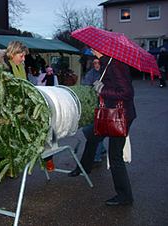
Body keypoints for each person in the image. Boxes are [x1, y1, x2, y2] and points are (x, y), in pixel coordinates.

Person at [68, 47, 136, 206]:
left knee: (115, 156)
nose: (91, 51)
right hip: (111, 114)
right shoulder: (109, 63)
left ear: (101, 49)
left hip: (119, 116)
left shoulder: (115, 65)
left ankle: (125, 196)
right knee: (92, 137)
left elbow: (127, 92)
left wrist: (103, 89)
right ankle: (84, 168)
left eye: (93, 49)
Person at [82, 57, 106, 167]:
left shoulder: (107, 72)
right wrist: (92, 92)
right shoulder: (91, 73)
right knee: (87, 129)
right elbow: (86, 87)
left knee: (96, 130)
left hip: (104, 105)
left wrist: (104, 91)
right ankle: (100, 148)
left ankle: (96, 158)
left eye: (98, 63)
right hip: (93, 105)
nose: (97, 65)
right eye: (95, 63)